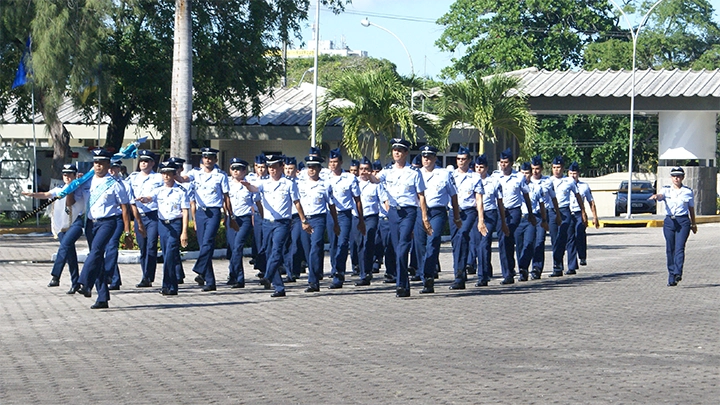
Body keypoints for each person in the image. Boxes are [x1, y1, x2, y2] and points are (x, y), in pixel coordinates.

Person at [241, 154, 312, 297]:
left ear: (281, 167)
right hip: (267, 222)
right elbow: (255, 189)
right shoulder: (264, 183)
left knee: (277, 249)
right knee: (267, 252)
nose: (272, 170)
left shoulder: (288, 183)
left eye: (274, 167)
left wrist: (303, 220)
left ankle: (267, 276)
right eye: (270, 167)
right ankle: (279, 287)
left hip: (282, 223)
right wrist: (248, 186)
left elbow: (296, 202)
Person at [369, 138, 431, 297]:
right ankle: (404, 284)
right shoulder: (388, 170)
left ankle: (401, 284)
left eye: (400, 150)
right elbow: (376, 180)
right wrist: (368, 174)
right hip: (393, 213)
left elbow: (421, 196)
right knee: (397, 250)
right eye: (394, 150)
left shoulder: (414, 172)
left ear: (406, 153)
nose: (396, 153)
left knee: (403, 247)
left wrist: (424, 217)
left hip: (408, 212)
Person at [76, 149, 132, 309]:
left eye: (101, 163)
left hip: (108, 222)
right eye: (96, 163)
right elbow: (74, 199)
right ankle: (102, 297)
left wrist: (127, 231)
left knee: (96, 251)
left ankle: (84, 282)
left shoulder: (115, 184)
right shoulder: (86, 181)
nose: (98, 166)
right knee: (97, 258)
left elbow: (124, 208)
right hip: (90, 222)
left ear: (108, 165)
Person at [178, 147, 237, 292]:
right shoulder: (195, 173)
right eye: (205, 157)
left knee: (208, 242)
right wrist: (173, 173)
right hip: (200, 212)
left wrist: (230, 215)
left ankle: (199, 267)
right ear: (202, 159)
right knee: (204, 246)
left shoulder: (220, 175)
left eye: (211, 158)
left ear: (215, 160)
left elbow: (226, 197)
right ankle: (210, 281)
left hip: (214, 212)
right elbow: (183, 179)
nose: (208, 160)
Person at [22, 164, 85, 292]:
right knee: (70, 255)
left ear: (75, 175)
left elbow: (71, 203)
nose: (67, 177)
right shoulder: (59, 189)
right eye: (65, 174)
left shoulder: (79, 188)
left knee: (64, 247)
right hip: (61, 225)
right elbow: (46, 194)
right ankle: (75, 283)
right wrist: (32, 194)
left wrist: (72, 187)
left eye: (70, 174)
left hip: (75, 223)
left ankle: (56, 276)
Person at [414, 145, 462, 294]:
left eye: (429, 157)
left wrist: (456, 216)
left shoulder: (444, 174)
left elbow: (453, 195)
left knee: (433, 241)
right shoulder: (415, 173)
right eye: (424, 157)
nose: (426, 159)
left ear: (435, 158)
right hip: (419, 212)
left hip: (437, 212)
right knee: (420, 245)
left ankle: (429, 275)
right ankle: (424, 277)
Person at [136, 161, 189, 295]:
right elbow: (150, 197)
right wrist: (144, 199)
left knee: (170, 254)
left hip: (174, 224)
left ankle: (169, 286)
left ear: (174, 174)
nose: (165, 176)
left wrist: (184, 232)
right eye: (163, 173)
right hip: (162, 224)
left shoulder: (181, 191)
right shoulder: (159, 190)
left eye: (168, 173)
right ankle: (170, 286)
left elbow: (185, 212)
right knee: (166, 255)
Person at [296, 155, 339, 292]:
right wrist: (303, 220)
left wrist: (335, 223)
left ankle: (313, 282)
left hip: (318, 219)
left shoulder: (325, 185)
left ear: (320, 169)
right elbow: (297, 203)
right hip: (304, 219)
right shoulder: (301, 184)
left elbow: (331, 205)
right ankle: (315, 274)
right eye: (309, 167)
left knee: (315, 248)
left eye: (314, 167)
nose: (311, 169)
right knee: (307, 249)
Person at [492, 148, 535, 285]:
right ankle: (508, 273)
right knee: (504, 241)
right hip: (500, 212)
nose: (503, 165)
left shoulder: (519, 177)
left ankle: (512, 269)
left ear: (511, 163)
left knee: (507, 235)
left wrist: (530, 213)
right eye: (501, 162)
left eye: (505, 162)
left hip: (514, 211)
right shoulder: (495, 176)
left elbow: (526, 195)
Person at [649, 167, 697, 286]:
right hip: (670, 221)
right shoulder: (666, 190)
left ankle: (678, 272)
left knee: (679, 248)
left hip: (683, 221)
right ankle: (671, 276)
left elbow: (691, 208)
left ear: (683, 177)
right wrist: (656, 196)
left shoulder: (687, 191)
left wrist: (694, 223)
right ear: (671, 178)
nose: (676, 178)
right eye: (674, 176)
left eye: (679, 176)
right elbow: (661, 196)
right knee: (670, 249)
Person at [449, 146, 488, 290]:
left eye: (464, 159)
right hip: (454, 212)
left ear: (469, 160)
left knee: (462, 235)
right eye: (459, 159)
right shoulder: (451, 175)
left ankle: (459, 276)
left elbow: (479, 199)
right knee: (456, 243)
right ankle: (458, 274)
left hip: (469, 212)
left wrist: (481, 219)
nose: (461, 162)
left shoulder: (475, 177)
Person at [326, 148, 365, 289]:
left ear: (341, 162)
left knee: (342, 244)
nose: (333, 164)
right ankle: (334, 269)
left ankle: (339, 274)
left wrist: (361, 219)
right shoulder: (325, 178)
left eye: (336, 162)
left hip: (344, 215)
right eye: (331, 162)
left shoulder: (349, 178)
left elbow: (357, 200)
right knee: (333, 245)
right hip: (330, 214)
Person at [127, 150, 163, 288]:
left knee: (151, 246)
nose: (143, 163)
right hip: (138, 216)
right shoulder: (133, 177)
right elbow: (127, 193)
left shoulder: (158, 177)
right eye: (142, 160)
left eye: (147, 161)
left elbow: (161, 191)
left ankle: (148, 277)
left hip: (153, 215)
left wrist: (149, 198)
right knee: (142, 248)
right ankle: (145, 275)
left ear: (153, 163)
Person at [472, 154, 507, 286]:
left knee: (484, 243)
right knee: (477, 245)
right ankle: (486, 270)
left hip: (490, 214)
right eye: (477, 167)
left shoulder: (494, 182)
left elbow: (500, 202)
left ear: (487, 168)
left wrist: (503, 221)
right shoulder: (471, 180)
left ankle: (483, 276)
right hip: (475, 214)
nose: (479, 170)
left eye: (481, 167)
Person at [548, 156, 586, 277]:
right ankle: (557, 267)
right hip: (552, 212)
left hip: (565, 211)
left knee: (569, 238)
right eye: (554, 167)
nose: (556, 170)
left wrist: (583, 211)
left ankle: (571, 266)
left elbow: (578, 196)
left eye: (558, 167)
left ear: (563, 168)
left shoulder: (569, 181)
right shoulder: (548, 181)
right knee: (555, 240)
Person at [226, 158, 260, 289]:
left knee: (238, 246)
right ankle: (236, 276)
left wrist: (258, 217)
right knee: (232, 248)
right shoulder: (227, 183)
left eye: (239, 169)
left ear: (244, 171)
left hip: (245, 218)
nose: (236, 171)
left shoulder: (249, 184)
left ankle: (237, 277)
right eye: (233, 169)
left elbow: (256, 202)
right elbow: (225, 200)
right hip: (232, 218)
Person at [353, 157, 385, 287]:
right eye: (361, 169)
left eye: (366, 169)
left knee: (368, 243)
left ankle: (366, 271)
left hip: (371, 217)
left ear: (371, 171)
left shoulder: (376, 185)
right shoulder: (354, 183)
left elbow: (383, 202)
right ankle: (362, 271)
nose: (363, 172)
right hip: (356, 217)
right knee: (359, 245)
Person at [515, 162, 547, 281]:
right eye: (522, 173)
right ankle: (522, 270)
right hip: (519, 218)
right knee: (519, 246)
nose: (524, 176)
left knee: (529, 244)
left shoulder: (536, 187)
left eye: (527, 173)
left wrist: (544, 220)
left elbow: (542, 204)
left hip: (531, 218)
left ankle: (533, 268)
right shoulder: (516, 186)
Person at [529, 155, 559, 279]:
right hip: (530, 215)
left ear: (541, 169)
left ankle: (537, 267)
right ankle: (524, 267)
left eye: (537, 168)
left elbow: (553, 197)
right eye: (533, 169)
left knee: (540, 241)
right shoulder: (526, 181)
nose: (535, 171)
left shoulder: (547, 181)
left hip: (543, 214)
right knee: (529, 242)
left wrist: (557, 213)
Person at [566, 162, 600, 272]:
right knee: (570, 238)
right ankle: (572, 265)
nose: (572, 175)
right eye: (571, 173)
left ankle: (582, 256)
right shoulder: (564, 184)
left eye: (575, 173)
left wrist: (595, 217)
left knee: (579, 232)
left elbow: (591, 202)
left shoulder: (584, 186)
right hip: (568, 213)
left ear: (578, 174)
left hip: (579, 213)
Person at [282, 156, 304, 282]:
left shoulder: (301, 183)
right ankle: (289, 271)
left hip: (296, 217)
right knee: (285, 245)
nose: (288, 171)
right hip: (285, 217)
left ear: (296, 170)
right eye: (286, 168)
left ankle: (295, 271)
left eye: (291, 168)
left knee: (295, 244)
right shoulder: (282, 182)